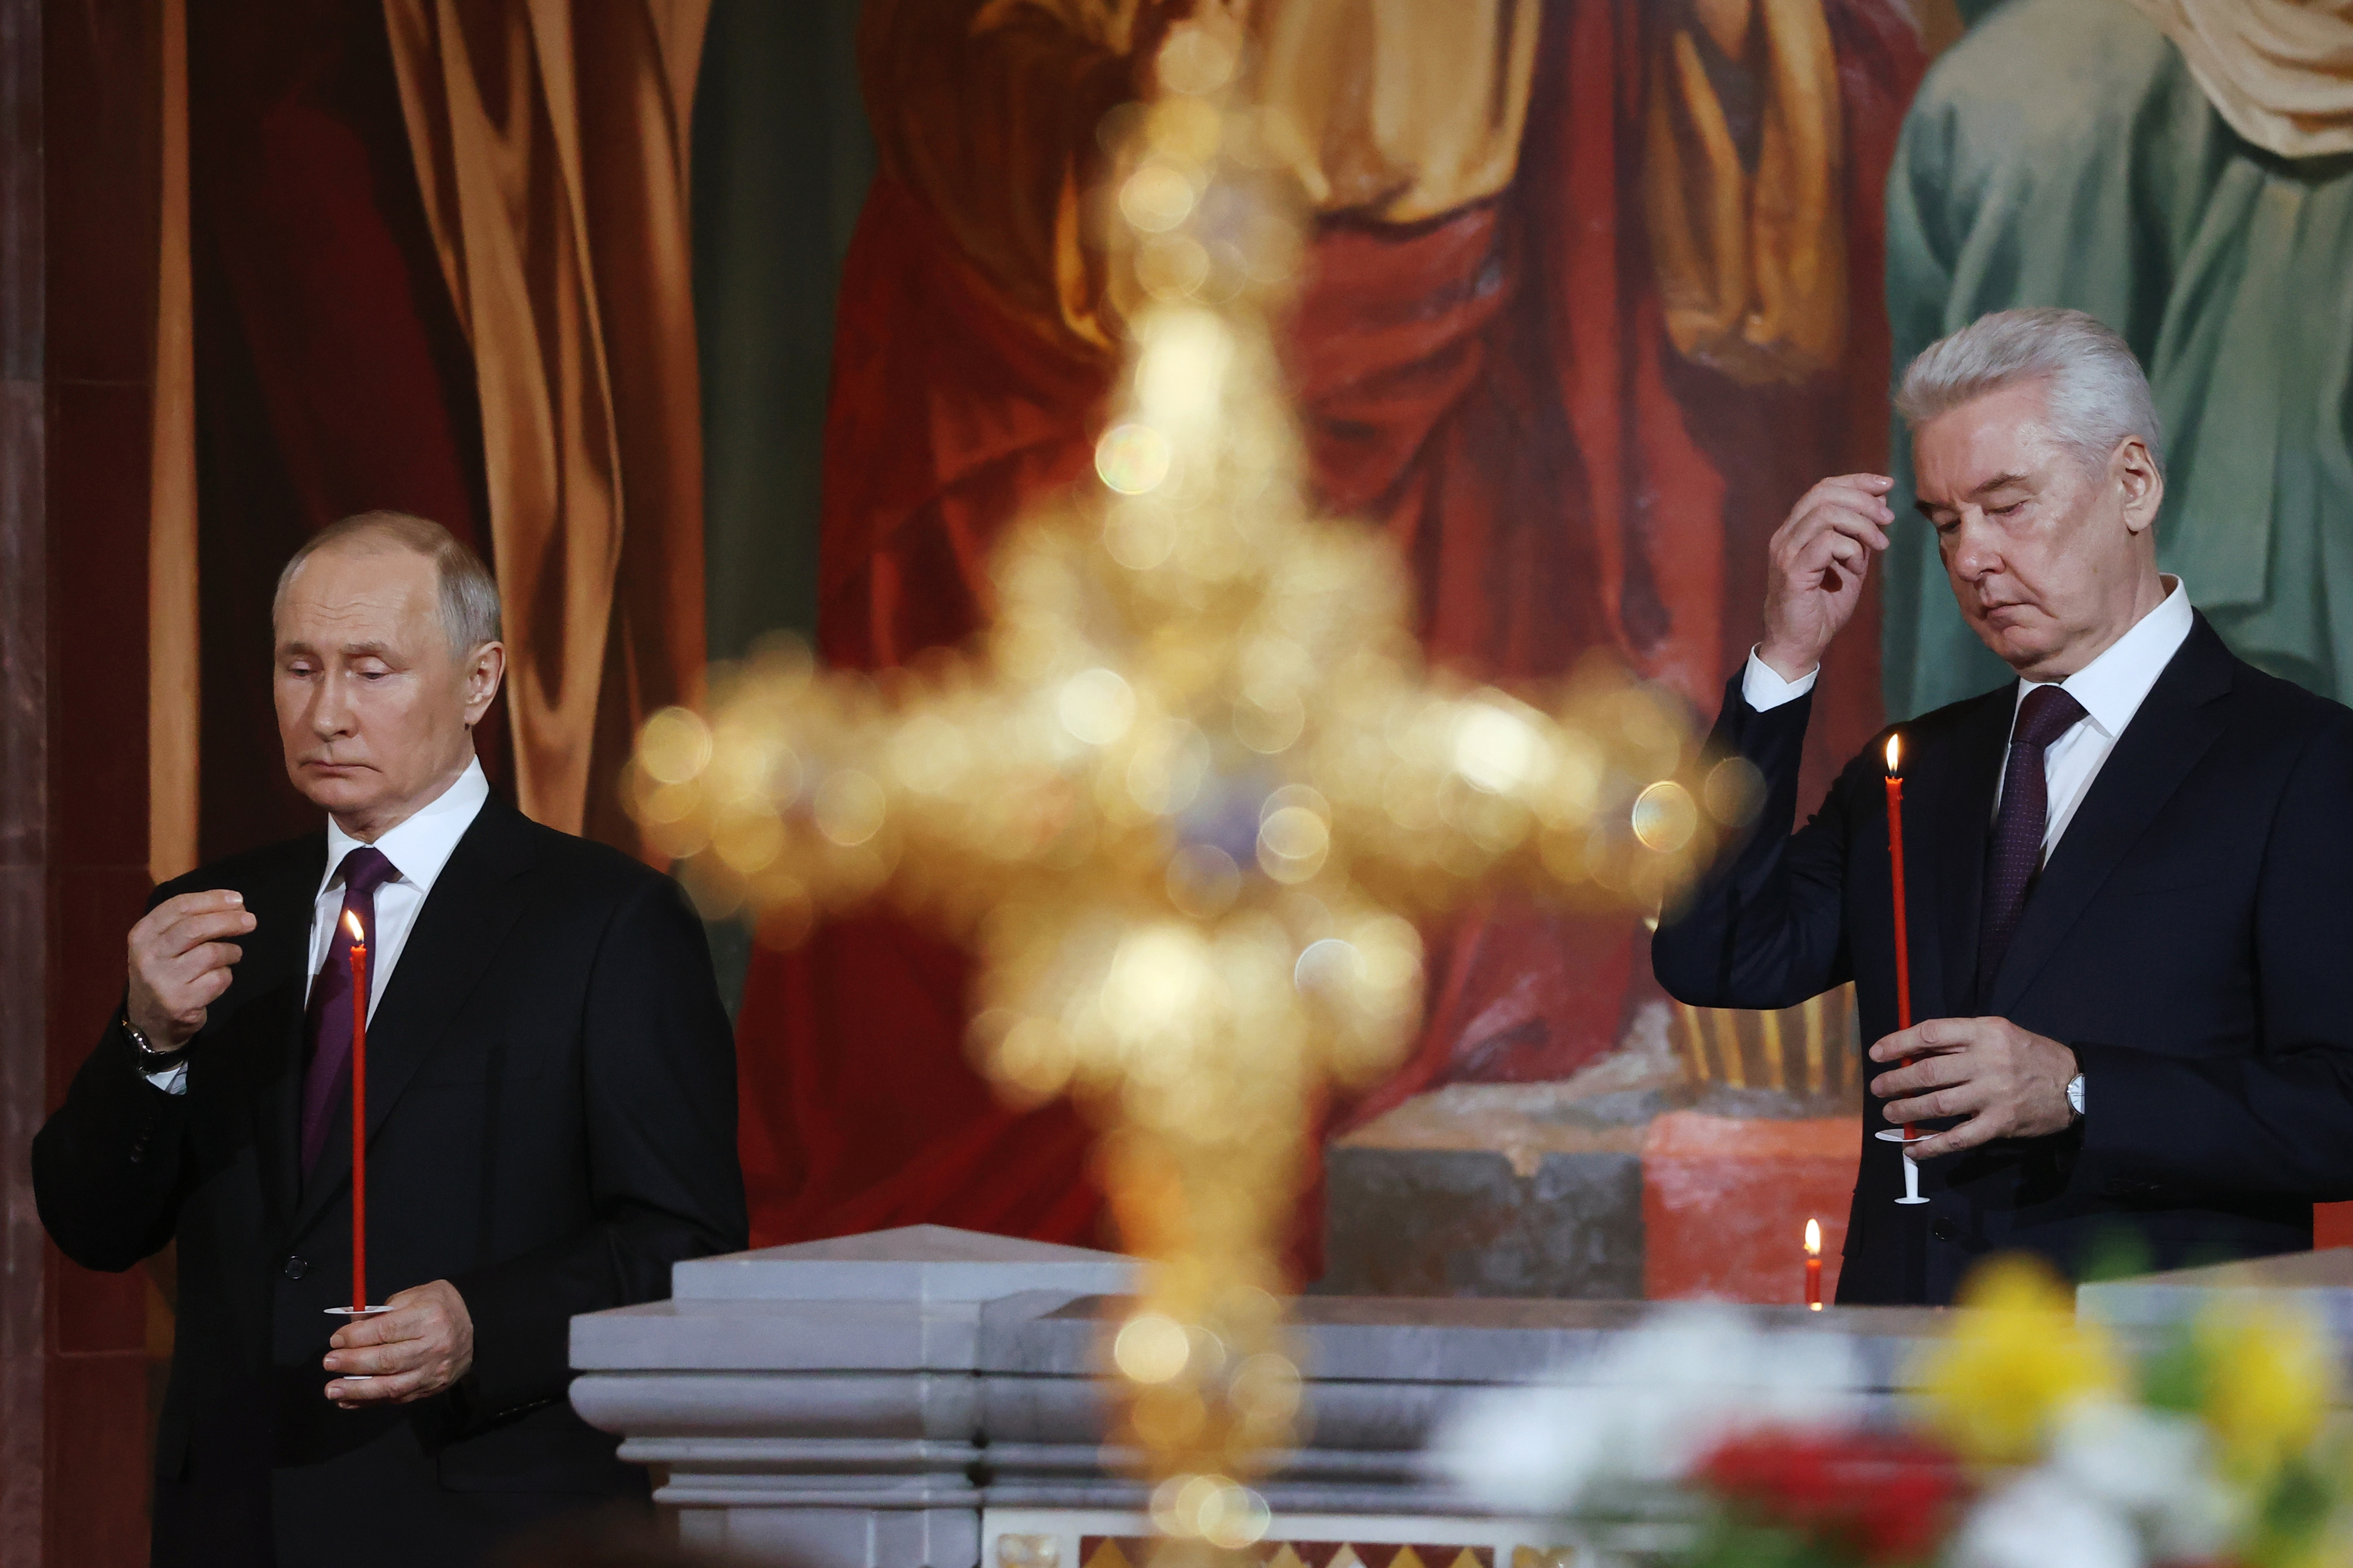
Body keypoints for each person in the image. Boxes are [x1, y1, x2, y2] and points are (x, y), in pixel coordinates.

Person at [33, 513, 746, 1565]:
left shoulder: (605, 924)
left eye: (372, 672)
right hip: (237, 1521)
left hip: (485, 1520)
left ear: (479, 681)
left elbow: (686, 1243)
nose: (326, 714)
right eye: (299, 669)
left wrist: (480, 1325)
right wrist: (149, 1043)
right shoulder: (214, 915)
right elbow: (93, 1223)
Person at [1653, 309, 2353, 1305]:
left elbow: (2340, 1106)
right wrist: (1784, 662)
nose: (1972, 558)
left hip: (2151, 1394)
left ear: (2134, 483)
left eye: (2008, 505)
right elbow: (1715, 955)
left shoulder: (2305, 761)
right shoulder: (1911, 768)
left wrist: (2076, 1089)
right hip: (1906, 1377)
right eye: (1945, 522)